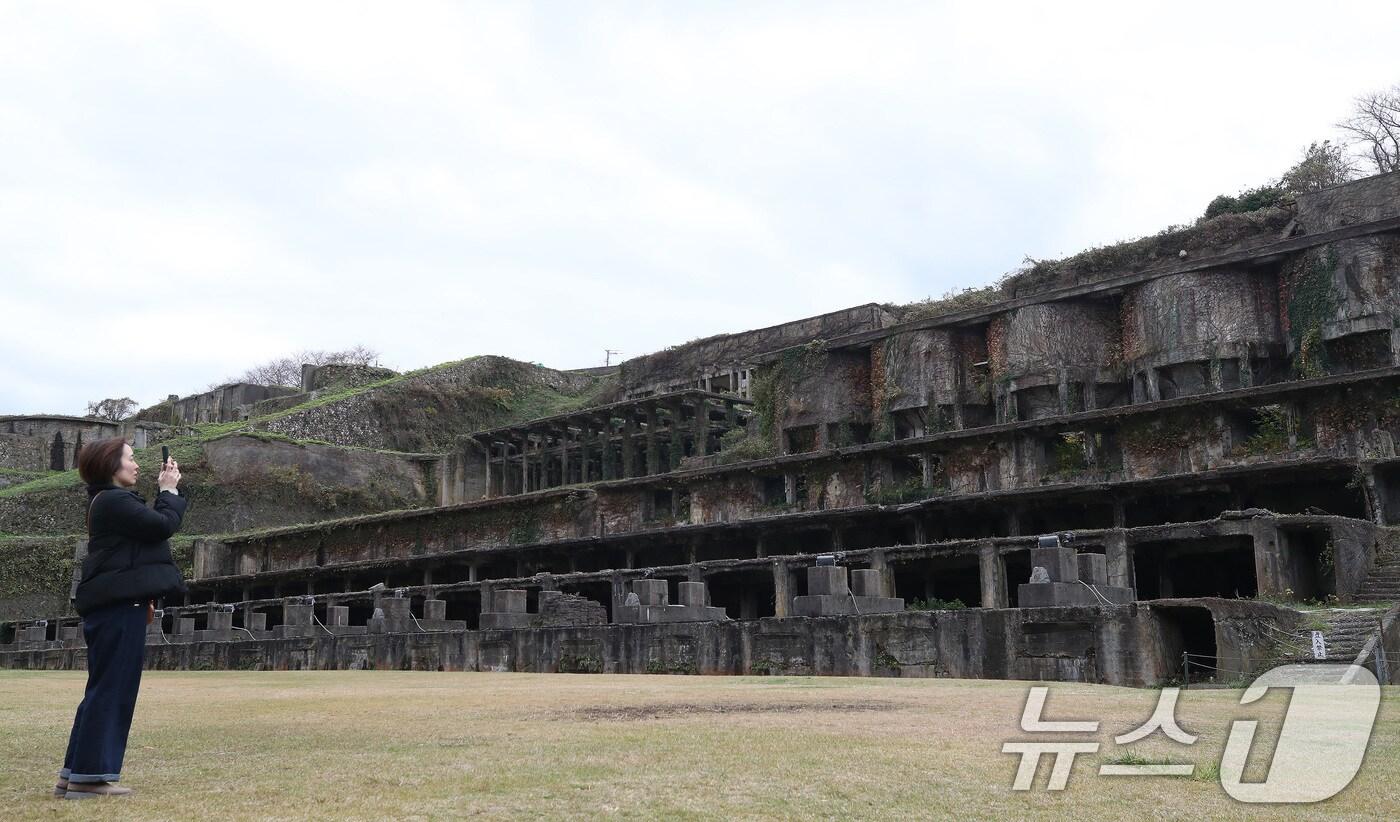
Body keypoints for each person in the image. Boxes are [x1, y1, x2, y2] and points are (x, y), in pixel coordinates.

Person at [56, 437, 187, 799]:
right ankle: (90, 777)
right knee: (112, 690)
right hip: (117, 607)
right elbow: (161, 525)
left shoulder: (109, 502)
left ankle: (76, 773)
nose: (136, 465)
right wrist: (169, 491)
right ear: (111, 465)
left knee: (102, 689)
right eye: (130, 459)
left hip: (114, 606)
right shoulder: (113, 501)